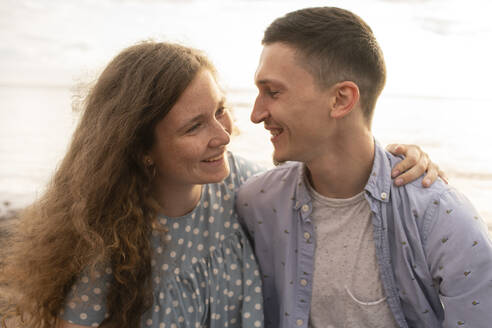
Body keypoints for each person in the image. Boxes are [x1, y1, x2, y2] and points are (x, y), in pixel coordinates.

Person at [0, 41, 438, 328]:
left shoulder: (245, 188)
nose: (224, 134)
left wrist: (399, 159)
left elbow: (337, 188)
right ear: (140, 148)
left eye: (220, 110)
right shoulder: (106, 247)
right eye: (195, 126)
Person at [236, 7, 492, 328]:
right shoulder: (255, 202)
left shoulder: (440, 218)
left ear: (341, 99)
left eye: (273, 92)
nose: (256, 114)